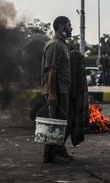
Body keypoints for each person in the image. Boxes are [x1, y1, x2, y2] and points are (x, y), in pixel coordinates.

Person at [41, 16, 73, 164]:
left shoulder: (62, 45)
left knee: (58, 122)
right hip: (57, 91)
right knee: (56, 122)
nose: (71, 28)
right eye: (69, 25)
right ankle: (55, 154)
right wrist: (53, 93)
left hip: (62, 90)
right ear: (61, 27)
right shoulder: (55, 45)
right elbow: (51, 71)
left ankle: (51, 154)